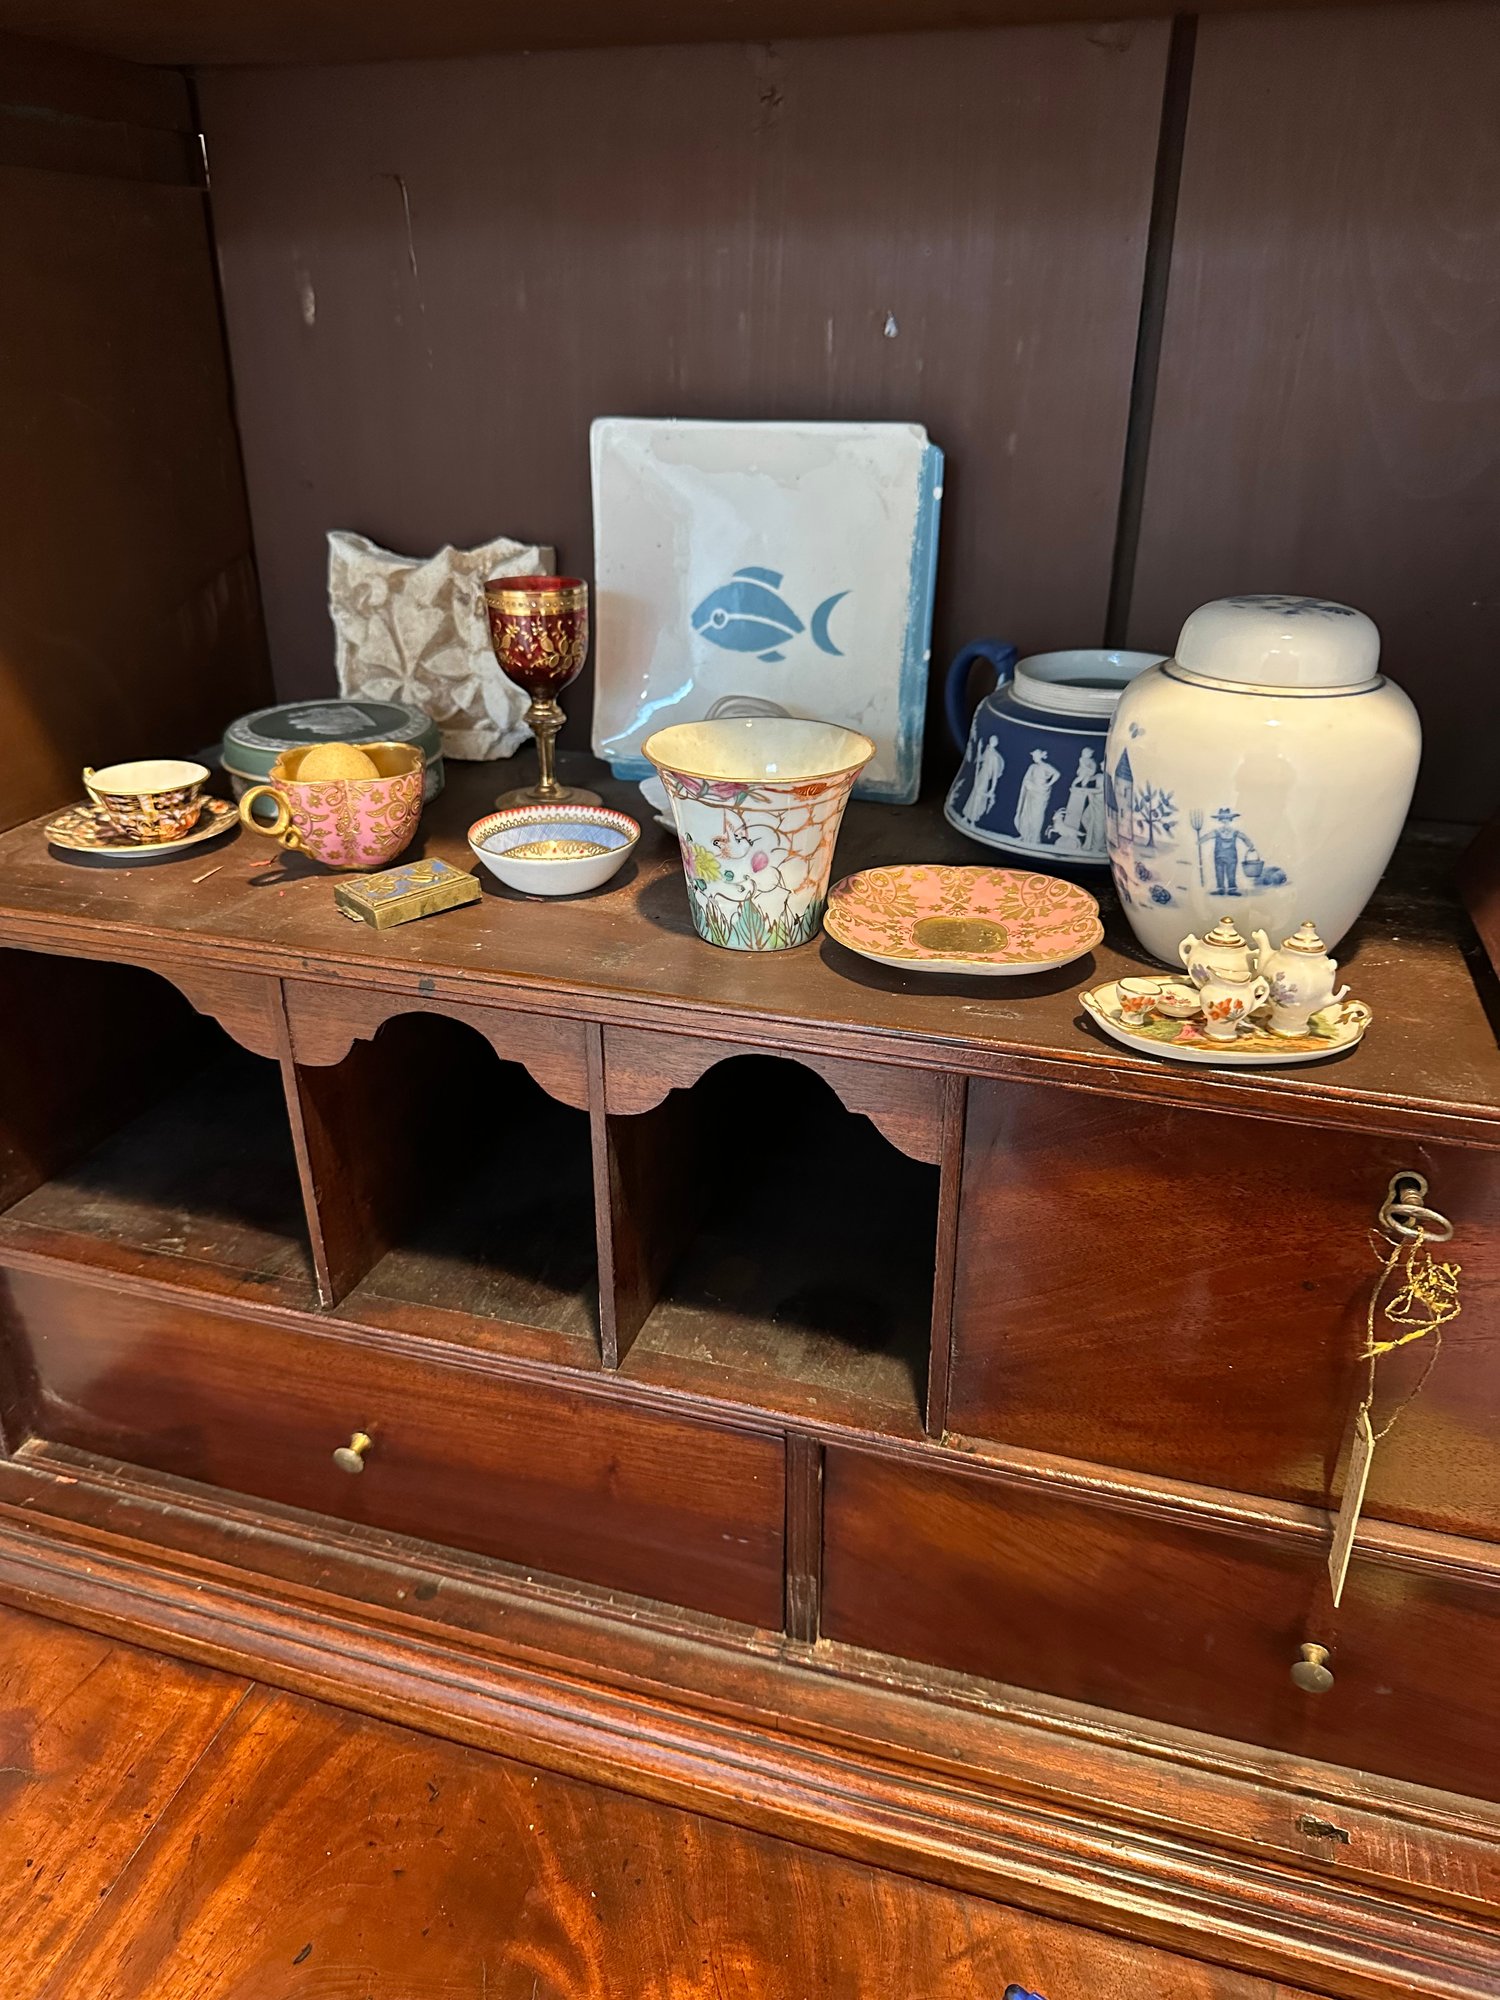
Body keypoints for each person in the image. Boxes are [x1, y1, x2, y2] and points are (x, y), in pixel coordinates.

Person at [1198, 806, 1255, 895]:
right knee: (1219, 872)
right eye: (1223, 819)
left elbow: (1244, 837)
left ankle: (1231, 889)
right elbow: (1207, 837)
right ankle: (1220, 888)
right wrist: (1199, 841)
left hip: (1231, 857)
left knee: (1231, 873)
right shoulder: (1217, 831)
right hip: (1220, 857)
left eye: (1227, 819)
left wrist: (1250, 845)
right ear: (1220, 820)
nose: (1225, 821)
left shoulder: (1234, 831)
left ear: (1230, 820)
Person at [1014, 747, 1060, 847]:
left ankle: (1034, 837)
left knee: (1037, 815)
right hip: (1031, 792)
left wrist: (1048, 784)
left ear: (1039, 756)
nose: (1033, 757)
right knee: (1027, 814)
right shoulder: (1032, 767)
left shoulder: (1046, 766)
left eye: (1034, 756)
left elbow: (1057, 774)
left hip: (1040, 793)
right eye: (1033, 756)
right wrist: (1028, 783)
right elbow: (1026, 778)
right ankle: (1025, 835)